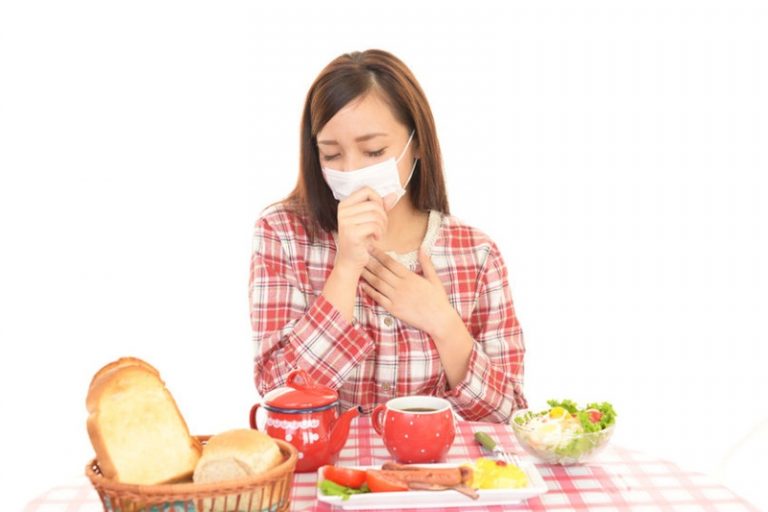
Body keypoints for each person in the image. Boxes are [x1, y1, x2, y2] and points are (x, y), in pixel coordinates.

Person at [249, 49, 526, 422]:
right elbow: (279, 395)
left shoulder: (476, 254)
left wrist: (444, 324)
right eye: (331, 155)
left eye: (373, 151)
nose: (352, 170)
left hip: (436, 463)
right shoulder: (282, 234)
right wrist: (345, 269)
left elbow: (508, 416)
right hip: (327, 462)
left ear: (417, 143)